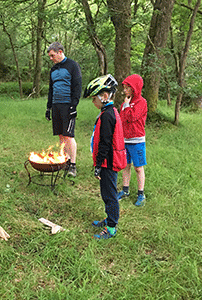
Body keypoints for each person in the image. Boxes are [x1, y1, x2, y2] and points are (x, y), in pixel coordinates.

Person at [83, 74, 127, 240]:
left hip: (108, 162)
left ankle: (111, 228)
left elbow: (105, 143)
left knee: (109, 195)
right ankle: (109, 218)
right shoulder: (107, 111)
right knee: (106, 193)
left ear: (105, 96)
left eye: (94, 98)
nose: (93, 101)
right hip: (106, 161)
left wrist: (99, 165)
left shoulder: (108, 115)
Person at [46, 42, 82, 177]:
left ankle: (73, 165)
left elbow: (77, 86)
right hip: (56, 105)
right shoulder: (53, 70)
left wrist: (74, 105)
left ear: (60, 52)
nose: (51, 58)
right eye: (49, 56)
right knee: (61, 135)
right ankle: (65, 161)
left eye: (52, 55)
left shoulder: (72, 66)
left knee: (68, 135)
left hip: (68, 105)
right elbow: (51, 89)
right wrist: (48, 107)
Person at [117, 74, 148, 207]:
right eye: (124, 88)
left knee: (138, 168)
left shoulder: (142, 102)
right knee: (125, 166)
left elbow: (132, 117)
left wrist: (128, 105)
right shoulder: (124, 103)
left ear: (135, 88)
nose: (125, 91)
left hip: (137, 140)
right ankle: (125, 190)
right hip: (125, 140)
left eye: (127, 88)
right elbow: (122, 119)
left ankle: (141, 194)